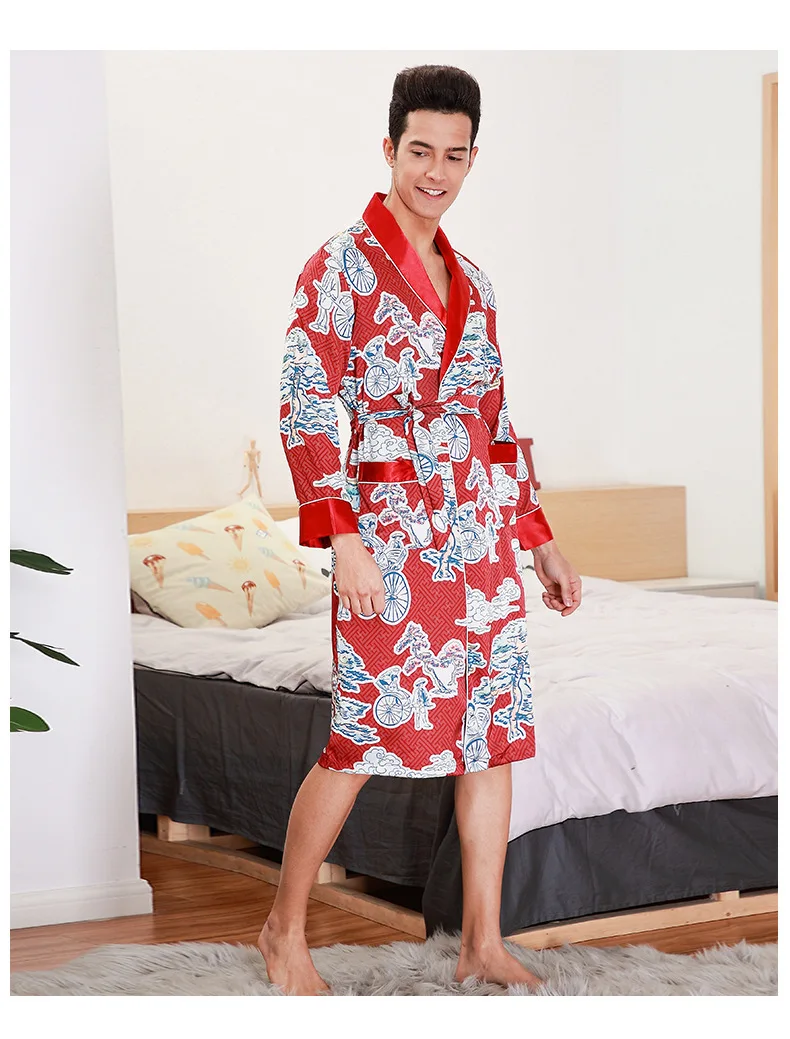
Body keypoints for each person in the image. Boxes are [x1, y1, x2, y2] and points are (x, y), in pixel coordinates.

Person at [260, 64, 582, 996]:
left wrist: (539, 537)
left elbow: (493, 418)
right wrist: (345, 539)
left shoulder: (474, 283)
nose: (435, 171)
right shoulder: (340, 267)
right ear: (390, 149)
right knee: (361, 738)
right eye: (420, 151)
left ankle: (482, 940)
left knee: (491, 738)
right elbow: (305, 405)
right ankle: (283, 930)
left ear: (473, 158)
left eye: (454, 155)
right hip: (390, 540)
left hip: (480, 540)